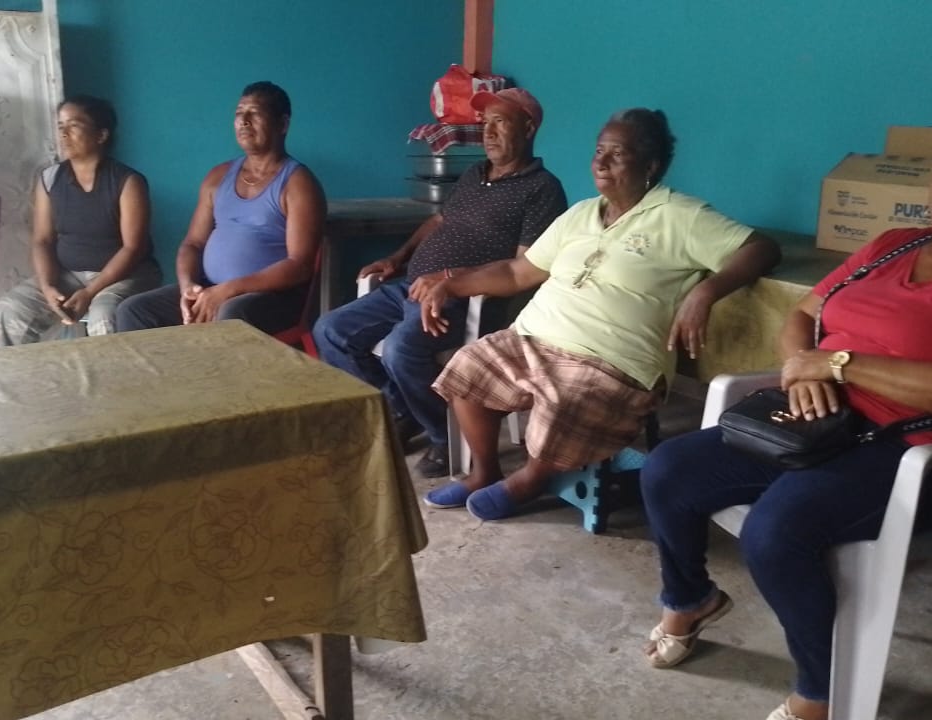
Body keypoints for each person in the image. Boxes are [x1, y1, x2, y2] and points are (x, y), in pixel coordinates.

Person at [638, 121, 932, 720]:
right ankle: (690, 598)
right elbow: (801, 316)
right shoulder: (894, 245)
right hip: (815, 421)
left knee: (775, 531)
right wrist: (802, 370)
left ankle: (820, 690)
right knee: (669, 469)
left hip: (914, 454)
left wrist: (839, 364)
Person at [419, 108, 780, 517]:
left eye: (618, 154)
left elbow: (761, 248)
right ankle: (484, 471)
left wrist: (706, 292)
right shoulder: (580, 214)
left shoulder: (682, 216)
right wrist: (452, 282)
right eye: (598, 151)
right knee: (468, 365)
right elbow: (518, 272)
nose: (601, 162)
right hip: (534, 337)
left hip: (612, 360)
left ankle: (531, 480)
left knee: (565, 402)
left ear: (651, 165)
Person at [313, 88, 568, 478]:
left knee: (401, 350)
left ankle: (443, 435)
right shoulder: (474, 175)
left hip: (467, 300)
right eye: (485, 123)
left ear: (529, 128)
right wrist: (397, 258)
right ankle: (402, 409)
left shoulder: (543, 189)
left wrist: (452, 277)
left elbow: (524, 266)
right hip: (412, 287)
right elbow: (439, 221)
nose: (488, 133)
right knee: (331, 330)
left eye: (500, 122)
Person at [115, 81, 325, 337]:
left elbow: (299, 265)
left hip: (271, 297)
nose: (244, 121)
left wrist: (229, 290)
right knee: (134, 311)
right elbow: (192, 243)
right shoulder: (218, 176)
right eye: (239, 113)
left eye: (255, 113)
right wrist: (188, 287)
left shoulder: (298, 184)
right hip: (210, 287)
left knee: (230, 314)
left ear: (282, 124)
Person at [0, 95, 160, 345]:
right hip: (67, 275)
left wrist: (90, 292)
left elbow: (133, 248)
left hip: (124, 276)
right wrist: (48, 287)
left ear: (101, 135)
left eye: (74, 125)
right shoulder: (50, 179)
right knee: (11, 310)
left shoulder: (128, 182)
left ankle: (115, 372)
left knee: (105, 316)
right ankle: (18, 372)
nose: (63, 134)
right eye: (61, 126)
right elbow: (42, 240)